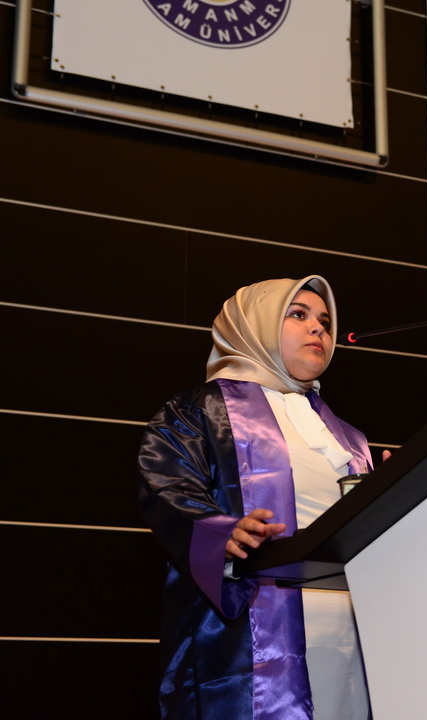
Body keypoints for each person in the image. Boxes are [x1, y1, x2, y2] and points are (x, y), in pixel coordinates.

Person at [138, 276, 373, 720]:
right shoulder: (200, 411)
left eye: (324, 321)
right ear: (254, 323)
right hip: (250, 635)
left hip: (348, 634)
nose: (318, 328)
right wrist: (221, 533)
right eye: (298, 315)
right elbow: (167, 487)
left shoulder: (350, 438)